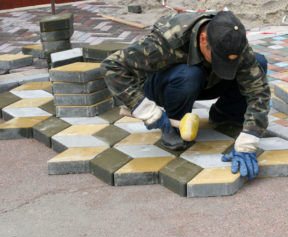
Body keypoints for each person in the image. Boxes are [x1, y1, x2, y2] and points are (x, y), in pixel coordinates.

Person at [101, 10, 270, 180]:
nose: (223, 65)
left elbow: (258, 90)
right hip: (165, 85)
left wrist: (250, 137)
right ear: (203, 39)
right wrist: (143, 107)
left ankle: (225, 114)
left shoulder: (232, 38)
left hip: (204, 82)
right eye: (217, 58)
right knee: (189, 74)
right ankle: (174, 126)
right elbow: (112, 66)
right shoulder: (167, 39)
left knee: (259, 63)